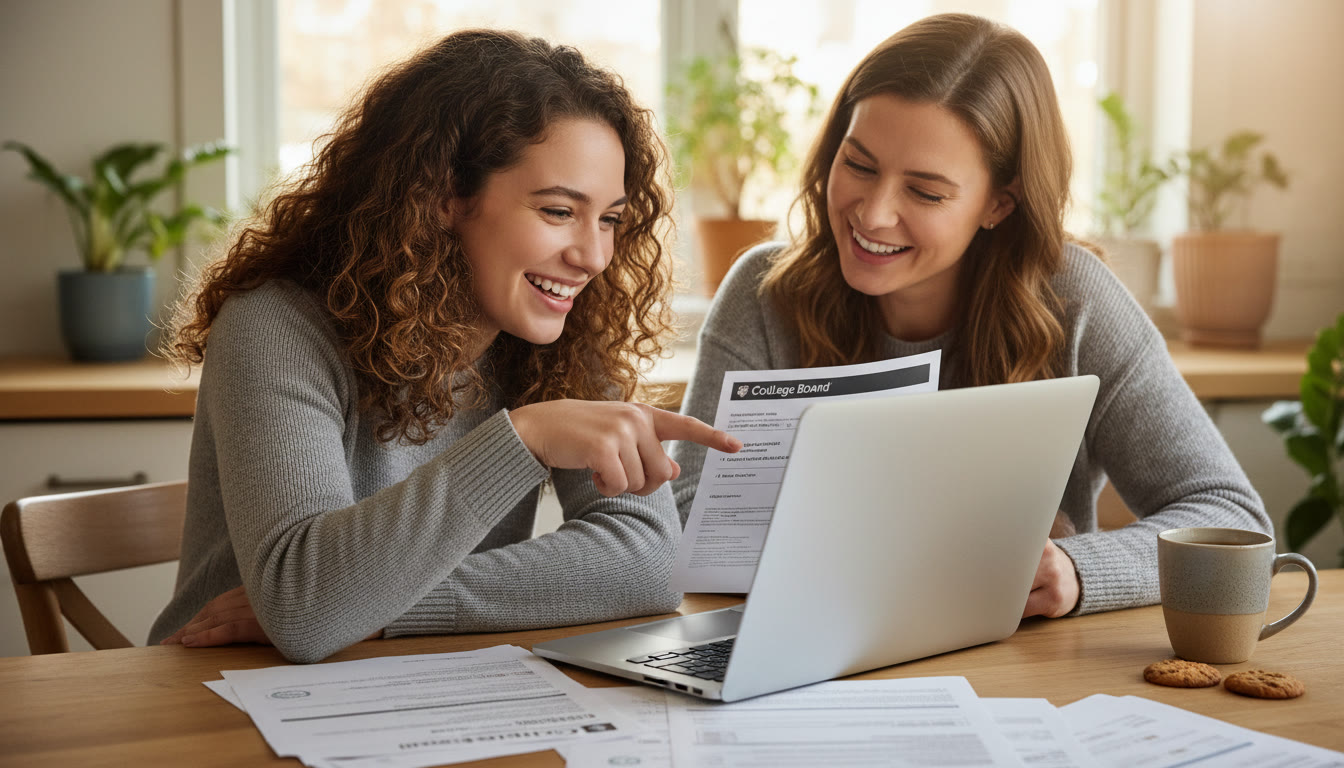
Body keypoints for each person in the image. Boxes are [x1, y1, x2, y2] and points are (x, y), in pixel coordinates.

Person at [147, 29, 740, 663]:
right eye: (559, 212)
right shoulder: (274, 326)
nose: (593, 256)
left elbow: (645, 564)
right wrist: (525, 437)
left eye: (611, 219)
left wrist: (378, 609)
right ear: (441, 199)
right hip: (217, 690)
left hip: (422, 679)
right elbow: (306, 609)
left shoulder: (557, 330)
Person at [670, 13, 1270, 619]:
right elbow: (688, 516)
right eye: (859, 164)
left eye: (925, 192)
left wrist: (1080, 571)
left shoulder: (1074, 302)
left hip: (1016, 664)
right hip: (795, 647)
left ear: (998, 204)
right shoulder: (763, 291)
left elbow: (1230, 517)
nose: (873, 214)